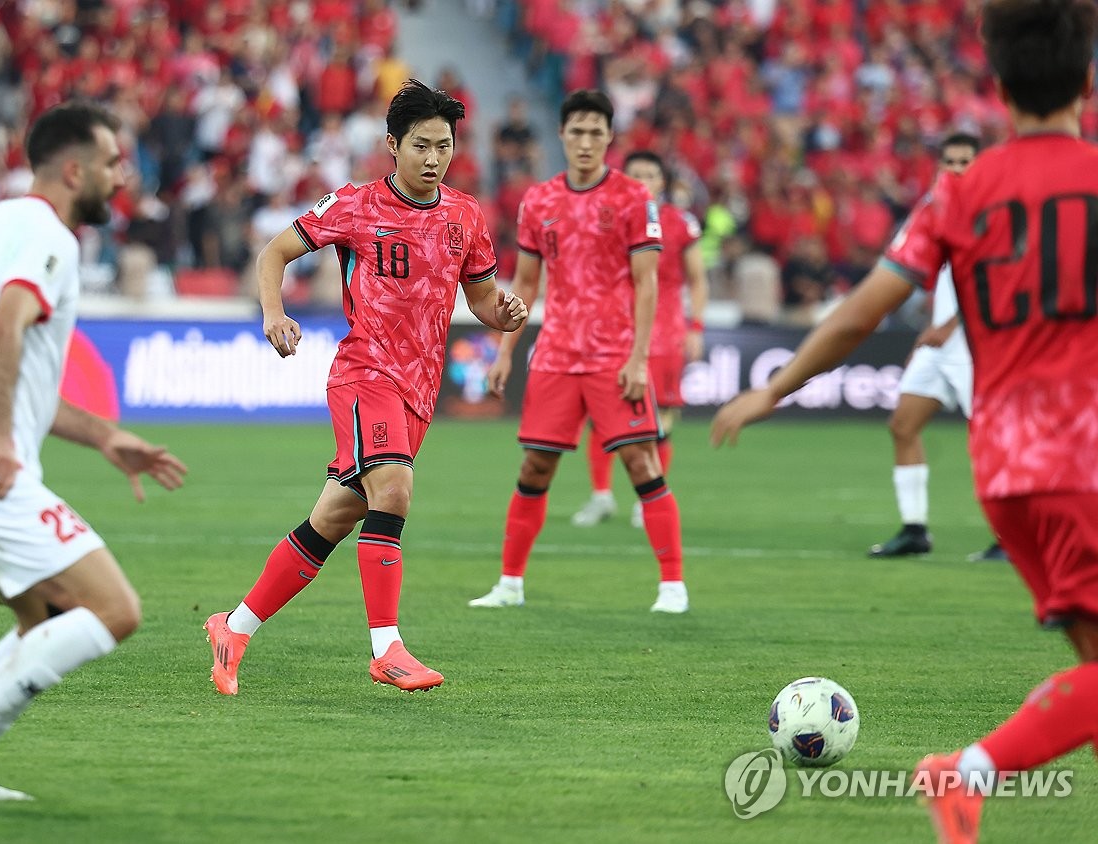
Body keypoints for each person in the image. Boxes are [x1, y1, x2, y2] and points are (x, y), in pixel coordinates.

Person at [712, 2, 1098, 840]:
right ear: (1088, 79)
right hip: (1086, 464)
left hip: (1006, 475)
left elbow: (856, 317)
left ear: (997, 86)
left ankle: (968, 779)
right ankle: (965, 775)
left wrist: (771, 390)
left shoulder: (960, 191)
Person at [0, 101, 188, 811]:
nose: (120, 176)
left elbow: (17, 369)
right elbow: (4, 330)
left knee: (44, 624)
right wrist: (0, 435)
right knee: (115, 610)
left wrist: (105, 437)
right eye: (112, 162)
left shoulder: (3, 223)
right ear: (75, 168)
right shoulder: (47, 235)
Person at [203, 80, 527, 695]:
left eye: (445, 146)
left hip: (419, 391)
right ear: (392, 145)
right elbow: (274, 251)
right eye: (422, 146)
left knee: (333, 517)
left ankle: (234, 626)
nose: (434, 159)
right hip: (364, 374)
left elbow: (481, 298)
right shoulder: (355, 205)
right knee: (395, 487)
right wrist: (274, 313)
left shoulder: (464, 215)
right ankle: (387, 647)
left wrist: (503, 314)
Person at [469, 90, 688, 614]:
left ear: (609, 137)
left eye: (596, 132)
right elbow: (524, 283)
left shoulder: (635, 198)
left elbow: (648, 283)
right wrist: (503, 351)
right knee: (534, 468)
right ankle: (510, 584)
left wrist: (638, 358)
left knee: (641, 462)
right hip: (556, 355)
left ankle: (673, 586)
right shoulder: (538, 201)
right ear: (562, 135)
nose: (586, 141)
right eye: (577, 131)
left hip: (615, 356)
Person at [868, 132, 1007, 563]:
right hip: (941, 343)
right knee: (903, 426)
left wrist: (951, 324)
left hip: (973, 345)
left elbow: (998, 282)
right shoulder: (940, 214)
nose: (957, 169)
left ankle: (1010, 539)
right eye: (950, 161)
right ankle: (914, 530)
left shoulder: (994, 216)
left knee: (994, 441)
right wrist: (931, 330)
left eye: (965, 161)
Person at [572, 150, 708, 529]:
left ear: (662, 182)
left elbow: (697, 279)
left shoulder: (680, 223)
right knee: (601, 416)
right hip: (612, 330)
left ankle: (648, 499)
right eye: (635, 174)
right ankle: (601, 496)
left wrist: (696, 326)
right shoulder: (605, 221)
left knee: (659, 420)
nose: (642, 181)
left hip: (664, 333)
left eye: (650, 174)